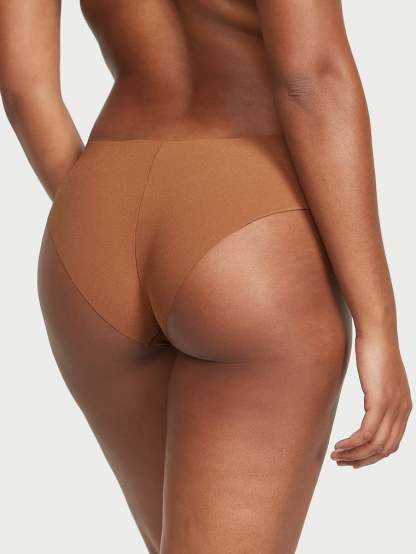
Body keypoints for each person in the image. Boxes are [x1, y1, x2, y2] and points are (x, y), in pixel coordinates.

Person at [0, 1, 412, 553]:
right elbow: (311, 77)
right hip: (247, 225)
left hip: (95, 218)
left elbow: (24, 87)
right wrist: (377, 323)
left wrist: (101, 225)